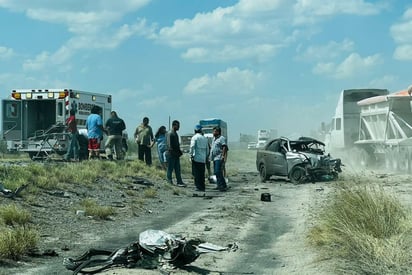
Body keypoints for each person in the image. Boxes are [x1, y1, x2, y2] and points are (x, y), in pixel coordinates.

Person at [189, 124, 209, 192]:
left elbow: (192, 147)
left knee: (196, 173)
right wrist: (206, 157)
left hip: (196, 158)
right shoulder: (204, 138)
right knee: (202, 174)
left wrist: (191, 155)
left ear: (195, 130)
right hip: (203, 159)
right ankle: (202, 187)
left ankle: (198, 187)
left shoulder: (194, 137)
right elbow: (207, 149)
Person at [166, 120, 186, 187]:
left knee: (177, 169)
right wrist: (173, 153)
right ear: (174, 125)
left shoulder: (175, 133)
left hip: (176, 154)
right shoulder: (170, 133)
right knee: (170, 169)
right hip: (171, 154)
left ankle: (179, 181)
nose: (179, 127)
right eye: (178, 125)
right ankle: (169, 181)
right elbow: (169, 145)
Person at [210, 126, 228, 192]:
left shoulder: (221, 138)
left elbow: (224, 147)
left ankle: (223, 186)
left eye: (214, 131)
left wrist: (223, 156)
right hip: (214, 158)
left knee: (218, 171)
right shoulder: (214, 139)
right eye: (213, 131)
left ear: (218, 132)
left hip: (219, 157)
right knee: (216, 172)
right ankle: (219, 185)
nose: (213, 132)